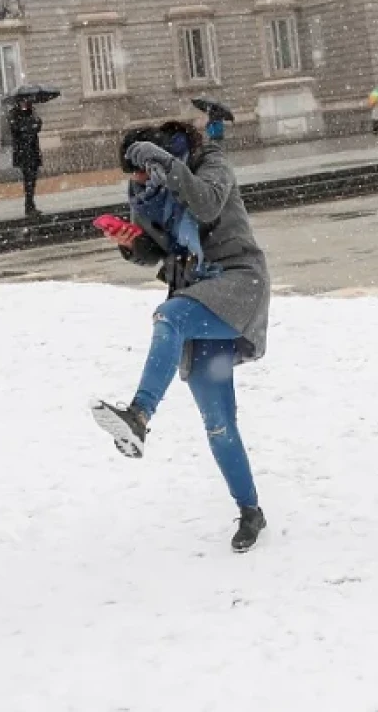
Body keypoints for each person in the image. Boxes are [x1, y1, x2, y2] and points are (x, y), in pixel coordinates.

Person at [91, 121, 271, 552]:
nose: (138, 181)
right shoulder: (149, 195)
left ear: (163, 154)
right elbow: (159, 256)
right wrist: (130, 243)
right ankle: (251, 511)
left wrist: (162, 162)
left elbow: (207, 206)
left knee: (167, 318)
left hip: (236, 284)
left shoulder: (211, 166)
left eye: (142, 169)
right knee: (218, 424)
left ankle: (139, 415)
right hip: (197, 296)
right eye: (133, 174)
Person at [9, 97, 44, 217]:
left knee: (32, 180)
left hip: (33, 152)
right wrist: (29, 127)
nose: (25, 104)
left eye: (27, 102)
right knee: (28, 180)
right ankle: (28, 206)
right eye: (23, 102)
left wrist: (33, 120)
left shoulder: (31, 112)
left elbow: (38, 126)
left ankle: (30, 205)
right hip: (23, 153)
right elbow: (17, 130)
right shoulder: (14, 114)